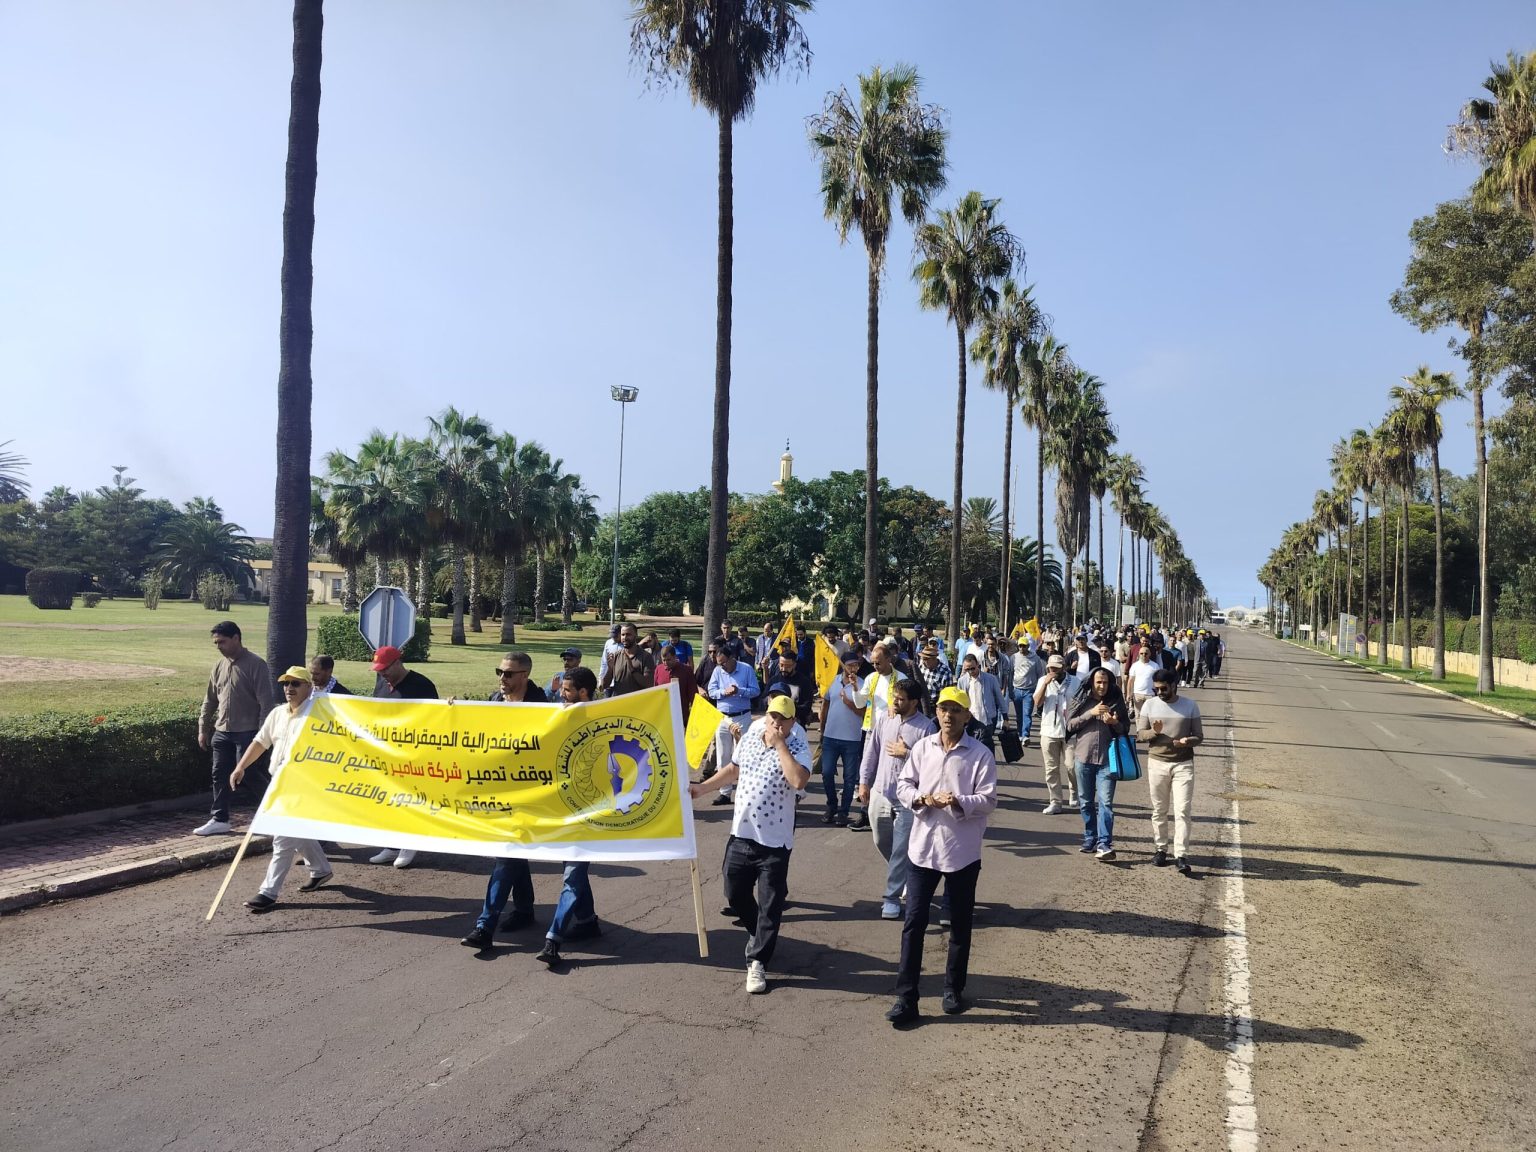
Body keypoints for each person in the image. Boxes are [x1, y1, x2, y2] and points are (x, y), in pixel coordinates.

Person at [884, 685, 998, 1026]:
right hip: (922, 850)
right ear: (936, 713)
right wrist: (922, 798)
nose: (948, 715)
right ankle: (906, 998)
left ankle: (953, 988)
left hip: (961, 851)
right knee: (914, 923)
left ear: (967, 716)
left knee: (960, 924)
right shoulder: (923, 748)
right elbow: (904, 785)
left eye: (955, 710)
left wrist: (959, 800)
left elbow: (989, 799)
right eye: (944, 709)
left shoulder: (980, 754)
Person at [689, 693, 813, 995]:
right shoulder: (753, 733)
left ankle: (757, 961)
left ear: (792, 722)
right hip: (742, 834)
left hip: (774, 841)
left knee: (770, 904)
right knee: (734, 893)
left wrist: (780, 745)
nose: (776, 723)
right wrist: (702, 788)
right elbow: (734, 769)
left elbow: (798, 781)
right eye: (772, 716)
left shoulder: (798, 744)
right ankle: (760, 935)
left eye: (783, 719)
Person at [458, 657, 554, 950]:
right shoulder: (493, 700)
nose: (502, 677)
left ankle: (485, 926)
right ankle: (524, 910)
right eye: (499, 671)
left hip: (529, 795)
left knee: (507, 854)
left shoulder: (543, 706)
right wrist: (451, 713)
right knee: (514, 854)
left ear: (525, 675)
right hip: (498, 793)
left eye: (509, 673)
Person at [236, 667, 333, 910]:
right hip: (279, 783)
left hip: (304, 787)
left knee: (282, 838)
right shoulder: (277, 713)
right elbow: (260, 742)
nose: (289, 688)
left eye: (296, 683)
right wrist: (240, 767)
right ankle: (321, 869)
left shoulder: (319, 713)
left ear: (309, 687)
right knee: (298, 832)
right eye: (286, 683)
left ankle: (268, 892)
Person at [535, 667, 606, 967]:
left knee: (572, 874)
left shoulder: (603, 717)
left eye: (566, 690)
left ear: (583, 693)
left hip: (591, 812)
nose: (561, 695)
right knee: (572, 868)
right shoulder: (560, 715)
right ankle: (587, 921)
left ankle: (553, 939)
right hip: (563, 808)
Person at [856, 678, 936, 920]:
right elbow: (872, 750)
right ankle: (906, 875)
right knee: (881, 839)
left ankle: (891, 899)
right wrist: (864, 781)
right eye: (895, 698)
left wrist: (907, 753)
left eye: (901, 699)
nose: (895, 702)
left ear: (914, 702)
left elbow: (932, 765)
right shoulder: (885, 718)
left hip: (908, 799)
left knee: (901, 849)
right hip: (881, 791)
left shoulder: (926, 728)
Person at [194, 620, 274, 836]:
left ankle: (275, 815)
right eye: (216, 643)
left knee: (249, 774)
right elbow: (210, 700)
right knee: (219, 774)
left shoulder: (256, 665)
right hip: (222, 732)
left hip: (248, 732)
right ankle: (220, 819)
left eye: (222, 642)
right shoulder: (218, 666)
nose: (218, 646)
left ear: (236, 638)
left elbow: (266, 703)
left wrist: (262, 736)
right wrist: (203, 728)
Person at [369, 645, 438, 867]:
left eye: (385, 669)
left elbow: (435, 720)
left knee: (410, 800)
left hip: (413, 754)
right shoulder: (381, 683)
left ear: (398, 663)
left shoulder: (422, 685)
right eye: (379, 670)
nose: (382, 673)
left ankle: (409, 843)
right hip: (388, 753)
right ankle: (391, 845)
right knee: (389, 801)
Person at [1137, 668, 1204, 875]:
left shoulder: (1190, 705)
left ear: (1174, 685)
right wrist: (1154, 732)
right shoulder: (1149, 705)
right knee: (1159, 809)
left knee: (1182, 810)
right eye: (1156, 689)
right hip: (1157, 763)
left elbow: (1199, 736)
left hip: (1183, 764)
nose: (1159, 693)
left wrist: (1187, 741)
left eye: (1163, 688)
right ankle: (1161, 849)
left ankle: (1181, 854)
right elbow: (1140, 735)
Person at [1067, 667, 1130, 861]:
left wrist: (1114, 723)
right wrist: (1091, 713)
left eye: (1105, 682)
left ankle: (1104, 844)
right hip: (1083, 758)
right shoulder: (1081, 700)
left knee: (1106, 803)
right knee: (1086, 802)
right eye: (1098, 682)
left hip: (1108, 760)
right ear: (1091, 683)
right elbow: (1069, 725)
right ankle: (1090, 837)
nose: (1102, 686)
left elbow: (1125, 729)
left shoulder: (1116, 701)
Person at [851, 639, 909, 829]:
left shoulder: (901, 678)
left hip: (892, 732)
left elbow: (907, 704)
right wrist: (855, 688)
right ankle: (865, 812)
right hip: (872, 730)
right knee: (867, 770)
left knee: (890, 771)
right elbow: (860, 703)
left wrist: (896, 707)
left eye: (878, 663)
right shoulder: (871, 678)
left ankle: (891, 811)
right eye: (873, 663)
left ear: (889, 660)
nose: (875, 666)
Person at [705, 640, 759, 805]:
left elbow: (756, 691)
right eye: (719, 664)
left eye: (724, 663)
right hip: (723, 717)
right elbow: (711, 691)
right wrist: (724, 692)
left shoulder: (746, 669)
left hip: (742, 716)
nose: (722, 667)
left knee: (741, 755)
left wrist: (739, 691)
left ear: (732, 658)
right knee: (723, 756)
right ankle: (725, 793)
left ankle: (744, 792)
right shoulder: (717, 671)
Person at [819, 650, 868, 826]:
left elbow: (864, 712)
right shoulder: (833, 681)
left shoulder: (863, 684)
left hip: (852, 739)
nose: (853, 668)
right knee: (826, 773)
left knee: (849, 778)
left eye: (856, 665)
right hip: (830, 736)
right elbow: (825, 704)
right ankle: (831, 806)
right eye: (849, 665)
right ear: (843, 666)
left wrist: (848, 702)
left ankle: (843, 811)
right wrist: (822, 728)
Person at [1033, 654, 1079, 813]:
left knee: (1072, 766)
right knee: (1051, 769)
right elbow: (1037, 702)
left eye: (1056, 668)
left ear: (1064, 668)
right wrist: (1045, 684)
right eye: (1050, 668)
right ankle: (1055, 802)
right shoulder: (1043, 680)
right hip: (1049, 730)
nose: (1052, 671)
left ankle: (1074, 791)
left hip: (1070, 731)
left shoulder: (1075, 681)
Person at [956, 651, 1004, 754]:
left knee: (987, 749)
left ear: (978, 664)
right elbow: (960, 702)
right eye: (967, 669)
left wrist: (1006, 718)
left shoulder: (991, 679)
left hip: (988, 720)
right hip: (970, 721)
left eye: (972, 668)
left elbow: (1000, 699)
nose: (970, 671)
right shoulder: (962, 681)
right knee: (970, 750)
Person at [766, 646, 815, 728]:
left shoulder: (804, 682)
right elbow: (763, 699)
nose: (784, 669)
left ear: (794, 665)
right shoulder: (774, 680)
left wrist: (787, 708)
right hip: (775, 723)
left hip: (796, 723)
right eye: (781, 665)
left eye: (787, 666)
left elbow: (807, 706)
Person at [602, 623, 655, 697]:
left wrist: (632, 670)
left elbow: (649, 684)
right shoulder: (616, 656)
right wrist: (610, 669)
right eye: (623, 635)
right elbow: (605, 685)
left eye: (628, 634)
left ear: (636, 635)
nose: (625, 637)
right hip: (619, 702)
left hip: (637, 702)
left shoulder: (646, 657)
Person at [654, 642, 698, 725]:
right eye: (663, 660)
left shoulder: (686, 670)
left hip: (682, 715)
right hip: (663, 716)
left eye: (668, 660)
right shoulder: (658, 669)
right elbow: (656, 692)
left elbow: (693, 694)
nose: (666, 663)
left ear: (675, 657)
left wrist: (694, 714)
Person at [1010, 640, 1042, 747]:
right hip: (1017, 690)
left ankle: (1026, 735)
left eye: (1024, 646)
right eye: (1020, 646)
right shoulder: (1014, 657)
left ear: (1028, 646)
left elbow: (1040, 675)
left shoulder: (1035, 658)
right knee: (1019, 715)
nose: (1022, 648)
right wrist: (1010, 690)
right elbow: (1010, 674)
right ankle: (1020, 734)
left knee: (1027, 714)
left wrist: (1039, 690)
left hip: (1029, 691)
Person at [915, 641, 954, 719]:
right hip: (921, 705)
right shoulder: (921, 666)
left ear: (934, 658)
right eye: (922, 659)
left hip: (935, 708)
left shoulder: (945, 672)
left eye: (925, 659)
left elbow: (947, 696)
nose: (923, 661)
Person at [1127, 642, 1160, 716]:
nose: (1144, 655)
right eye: (1141, 653)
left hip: (1150, 694)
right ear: (1139, 654)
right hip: (1137, 694)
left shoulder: (1155, 666)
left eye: (1146, 653)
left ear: (1149, 654)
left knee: (1150, 715)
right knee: (1138, 715)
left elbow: (1158, 681)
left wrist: (1158, 693)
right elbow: (1130, 680)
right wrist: (1129, 694)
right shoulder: (1134, 666)